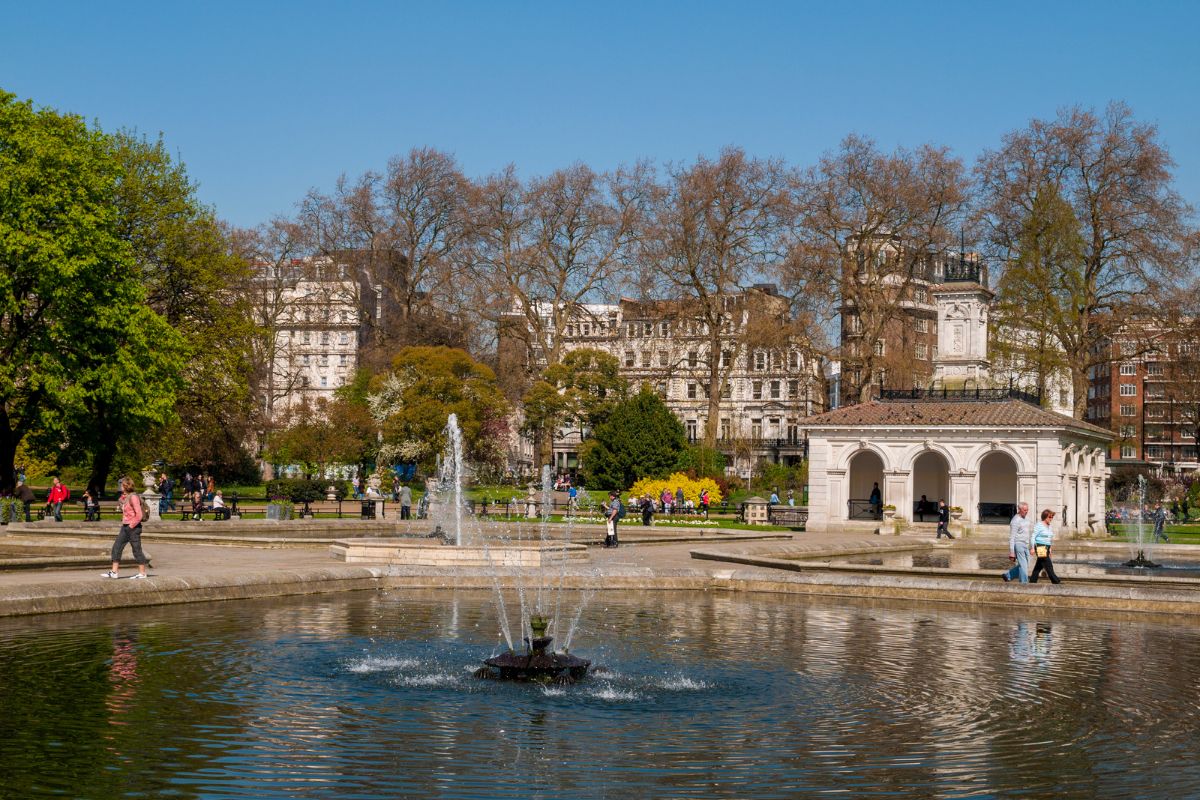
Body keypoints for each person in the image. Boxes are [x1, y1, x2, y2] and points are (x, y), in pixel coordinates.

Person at [102, 477, 150, 579]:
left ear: (126, 486)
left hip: (133, 527)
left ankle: (142, 573)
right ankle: (114, 572)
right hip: (125, 526)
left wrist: (131, 526)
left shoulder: (133, 497)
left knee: (136, 550)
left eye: (122, 485)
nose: (120, 486)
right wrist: (122, 500)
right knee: (117, 547)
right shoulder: (125, 497)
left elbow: (139, 515)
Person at [1029, 508, 1061, 584]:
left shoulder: (1049, 526)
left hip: (1046, 547)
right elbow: (1033, 536)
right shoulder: (1039, 525)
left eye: (1052, 517)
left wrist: (1050, 548)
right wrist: (1032, 548)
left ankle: (1032, 581)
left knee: (1039, 566)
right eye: (1049, 517)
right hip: (1040, 546)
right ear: (1045, 516)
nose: (1051, 518)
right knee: (1048, 564)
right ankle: (1055, 581)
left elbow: (1049, 538)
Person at [1003, 502, 1032, 584]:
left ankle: (1008, 575)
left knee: (1026, 564)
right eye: (1024, 510)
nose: (1026, 511)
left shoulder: (1027, 518)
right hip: (1018, 544)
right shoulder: (1015, 521)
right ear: (1019, 510)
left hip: (1026, 544)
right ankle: (1024, 584)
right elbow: (1012, 537)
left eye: (1027, 510)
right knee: (1023, 566)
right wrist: (1012, 552)